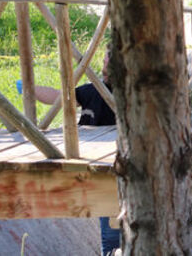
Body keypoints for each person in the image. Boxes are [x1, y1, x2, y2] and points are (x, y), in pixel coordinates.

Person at [24, 49, 120, 255]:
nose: (103, 64)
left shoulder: (130, 95)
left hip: (112, 162)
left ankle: (112, 250)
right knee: (107, 223)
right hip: (91, 160)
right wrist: (29, 89)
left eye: (105, 61)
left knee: (111, 227)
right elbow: (60, 97)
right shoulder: (93, 90)